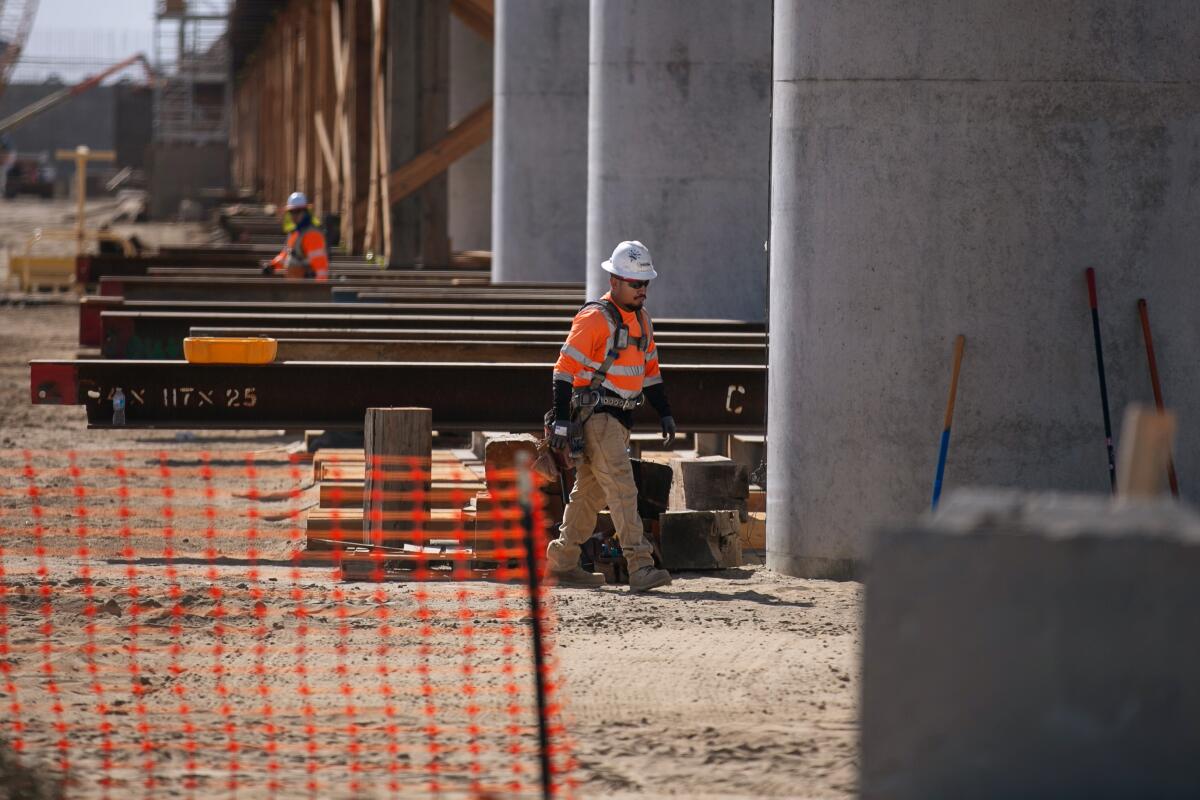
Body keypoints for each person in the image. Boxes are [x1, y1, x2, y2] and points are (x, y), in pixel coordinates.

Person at [545, 240, 677, 592]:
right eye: (636, 284)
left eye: (645, 283)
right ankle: (640, 566)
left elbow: (651, 373)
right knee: (622, 489)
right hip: (598, 416)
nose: (642, 290)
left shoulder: (643, 322)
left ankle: (562, 562)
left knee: (589, 495)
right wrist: (560, 420)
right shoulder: (593, 319)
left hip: (619, 422)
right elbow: (563, 370)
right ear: (615, 281)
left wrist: (664, 412)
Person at [267, 191, 329, 279]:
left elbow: (321, 268)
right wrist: (272, 265)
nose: (294, 215)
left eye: (298, 211)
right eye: (291, 212)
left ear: (305, 211)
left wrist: (318, 289)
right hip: (295, 283)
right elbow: (286, 256)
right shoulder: (296, 233)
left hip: (307, 288)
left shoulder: (312, 235)